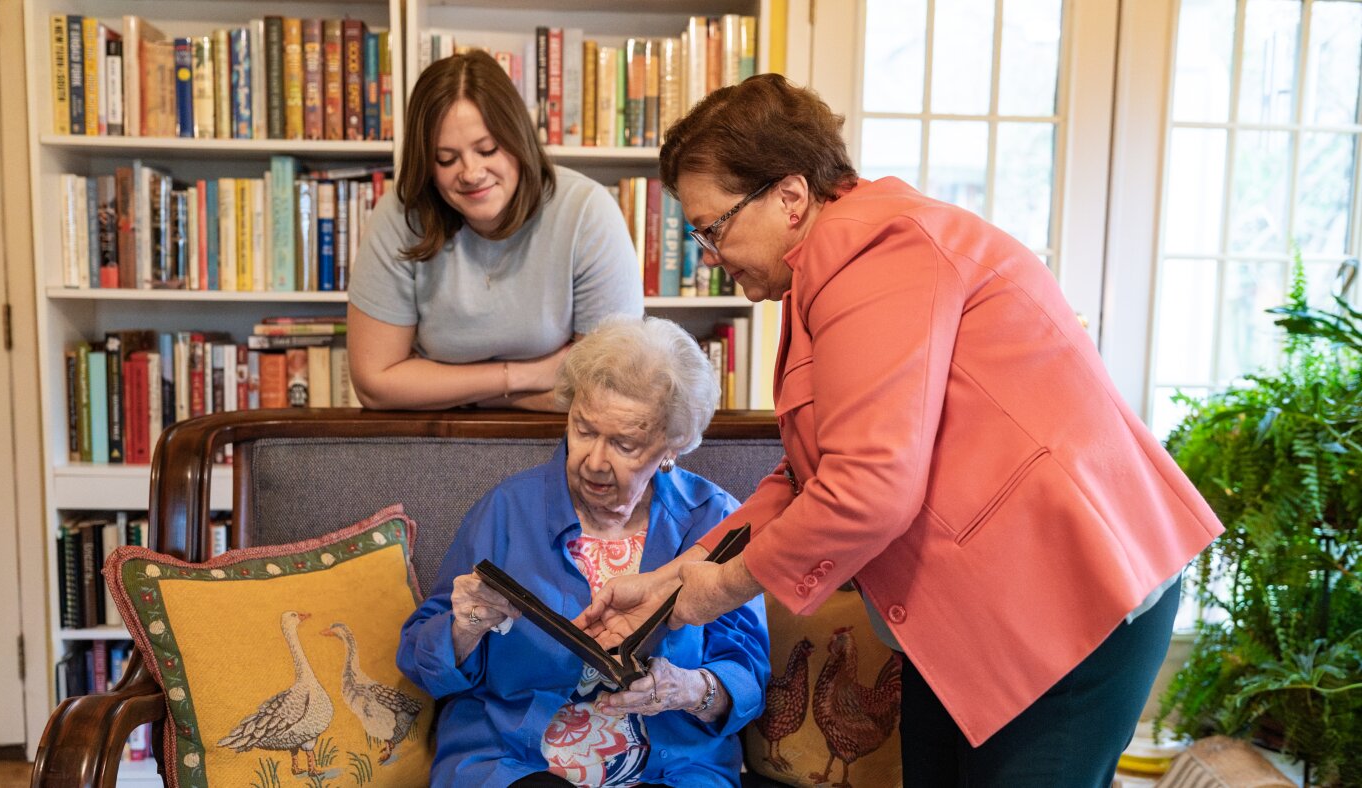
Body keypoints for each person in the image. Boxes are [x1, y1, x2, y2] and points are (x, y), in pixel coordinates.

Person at [575, 74, 1224, 786]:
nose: (708, 252)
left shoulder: (877, 252)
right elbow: (805, 480)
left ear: (790, 197)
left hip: (1072, 593)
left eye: (713, 227)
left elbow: (869, 486)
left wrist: (720, 587)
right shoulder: (821, 272)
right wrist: (671, 580)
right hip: (987, 617)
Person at [397, 316, 770, 787]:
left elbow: (748, 677)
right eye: (584, 430)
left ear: (671, 447)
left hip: (673, 766)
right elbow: (420, 662)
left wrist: (689, 689)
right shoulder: (508, 510)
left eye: (625, 444)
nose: (594, 461)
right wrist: (464, 627)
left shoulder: (716, 522)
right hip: (518, 760)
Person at [349, 50, 642, 411]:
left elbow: (607, 386)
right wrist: (521, 377)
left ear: (518, 139)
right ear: (425, 163)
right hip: (433, 440)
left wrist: (446, 391)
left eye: (487, 149)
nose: (471, 172)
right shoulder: (400, 215)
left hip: (564, 441)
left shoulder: (587, 212)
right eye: (446, 158)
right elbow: (374, 384)